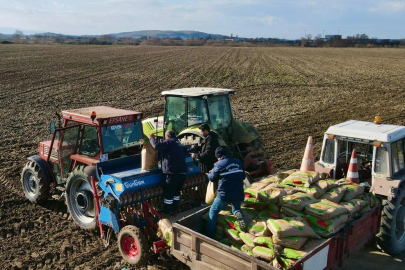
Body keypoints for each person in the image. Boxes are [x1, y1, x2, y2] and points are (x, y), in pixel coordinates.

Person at [207, 147, 246, 238]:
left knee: (213, 211)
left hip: (224, 195)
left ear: (219, 156)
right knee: (235, 208)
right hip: (238, 193)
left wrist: (210, 172)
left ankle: (210, 235)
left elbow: (212, 178)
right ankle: (238, 213)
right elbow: (243, 177)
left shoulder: (218, 164)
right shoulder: (238, 162)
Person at [149, 130, 187, 216]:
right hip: (182, 172)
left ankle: (168, 211)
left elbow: (156, 146)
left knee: (169, 193)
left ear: (167, 136)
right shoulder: (178, 143)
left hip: (172, 173)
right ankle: (175, 209)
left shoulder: (170, 142)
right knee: (176, 193)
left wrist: (151, 138)